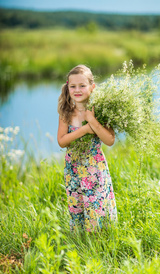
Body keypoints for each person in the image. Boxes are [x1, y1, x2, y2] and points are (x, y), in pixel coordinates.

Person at [57, 64, 117, 232]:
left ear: (92, 87)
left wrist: (92, 121)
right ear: (67, 86)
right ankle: (80, 241)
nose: (77, 90)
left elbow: (110, 140)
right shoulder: (66, 112)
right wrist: (84, 129)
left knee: (95, 206)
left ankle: (97, 244)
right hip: (73, 168)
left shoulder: (100, 110)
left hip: (94, 168)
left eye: (82, 86)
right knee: (77, 206)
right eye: (73, 86)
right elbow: (62, 141)